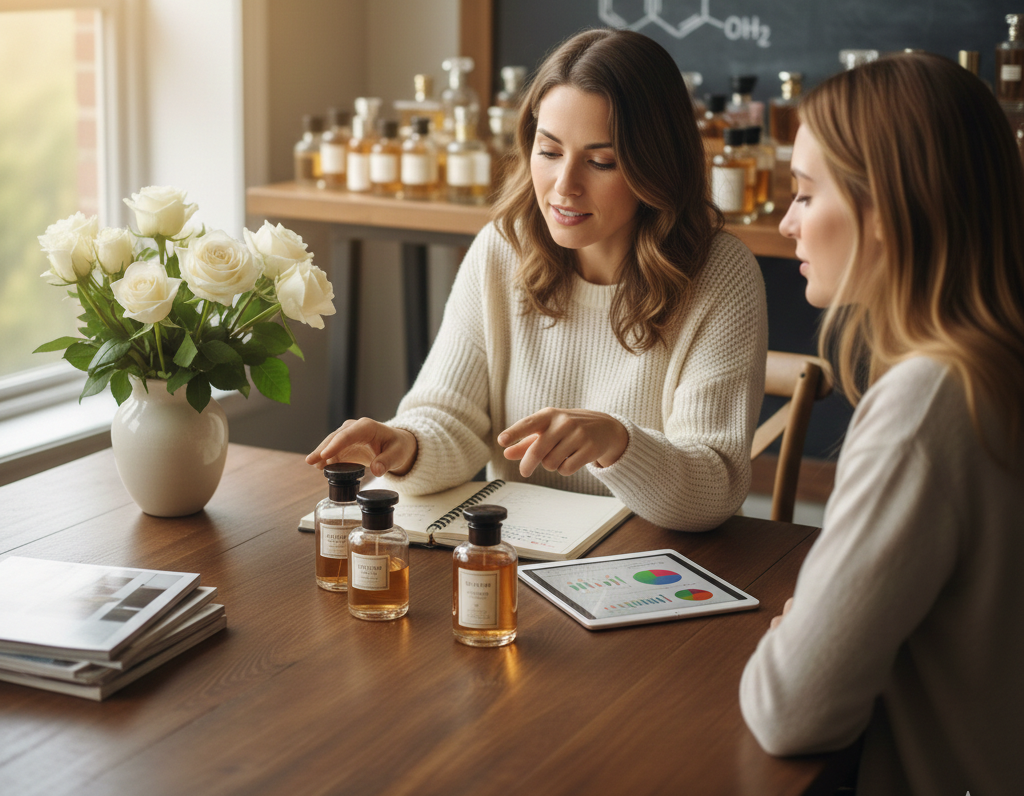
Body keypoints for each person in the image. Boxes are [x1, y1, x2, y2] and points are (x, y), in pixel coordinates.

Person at [740, 53, 1024, 796]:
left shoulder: (928, 402)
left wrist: (805, 627)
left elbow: (791, 706)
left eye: (804, 192)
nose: (788, 222)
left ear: (883, 213)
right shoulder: (997, 363)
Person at [307, 28, 767, 531]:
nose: (565, 186)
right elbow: (451, 417)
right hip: (516, 558)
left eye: (601, 161)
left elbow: (714, 489)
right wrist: (401, 446)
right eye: (549, 152)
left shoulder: (722, 276)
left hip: (653, 562)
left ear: (656, 166)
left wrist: (620, 443)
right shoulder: (502, 250)